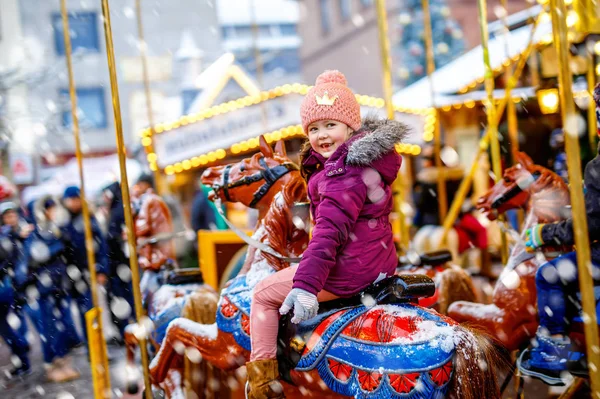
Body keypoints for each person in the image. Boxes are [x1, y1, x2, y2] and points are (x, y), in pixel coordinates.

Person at [245, 70, 406, 398]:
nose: (321, 135)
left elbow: (329, 234)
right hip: (378, 264)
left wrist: (306, 286)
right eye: (314, 128)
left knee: (262, 294)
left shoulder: (341, 173)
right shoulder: (367, 164)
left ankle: (263, 383)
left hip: (347, 273)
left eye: (330, 125)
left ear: (351, 127)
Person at [518, 83, 600, 384]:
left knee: (549, 274)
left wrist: (546, 233)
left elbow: (589, 224)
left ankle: (555, 351)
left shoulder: (596, 167)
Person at [16, 196, 80, 382]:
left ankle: (63, 362)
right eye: (50, 209)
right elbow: (34, 258)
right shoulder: (35, 233)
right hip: (45, 289)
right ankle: (52, 364)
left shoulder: (55, 229)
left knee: (63, 325)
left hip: (59, 285)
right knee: (50, 328)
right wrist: (56, 246)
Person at [60, 186, 109, 344]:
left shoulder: (89, 218)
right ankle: (91, 347)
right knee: (83, 312)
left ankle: (98, 346)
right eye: (71, 200)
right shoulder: (63, 222)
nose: (74, 203)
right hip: (73, 274)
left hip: (90, 271)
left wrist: (102, 268)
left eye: (76, 199)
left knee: (93, 310)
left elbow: (101, 246)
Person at [0, 202, 32, 377]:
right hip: (9, 286)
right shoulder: (6, 236)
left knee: (10, 327)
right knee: (10, 326)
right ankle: (22, 356)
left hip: (10, 287)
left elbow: (9, 261)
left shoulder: (10, 236)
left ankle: (22, 357)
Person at [102, 182, 135, 341]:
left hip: (118, 265)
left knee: (123, 297)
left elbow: (112, 239)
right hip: (122, 264)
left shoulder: (116, 213)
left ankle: (125, 331)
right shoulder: (122, 210)